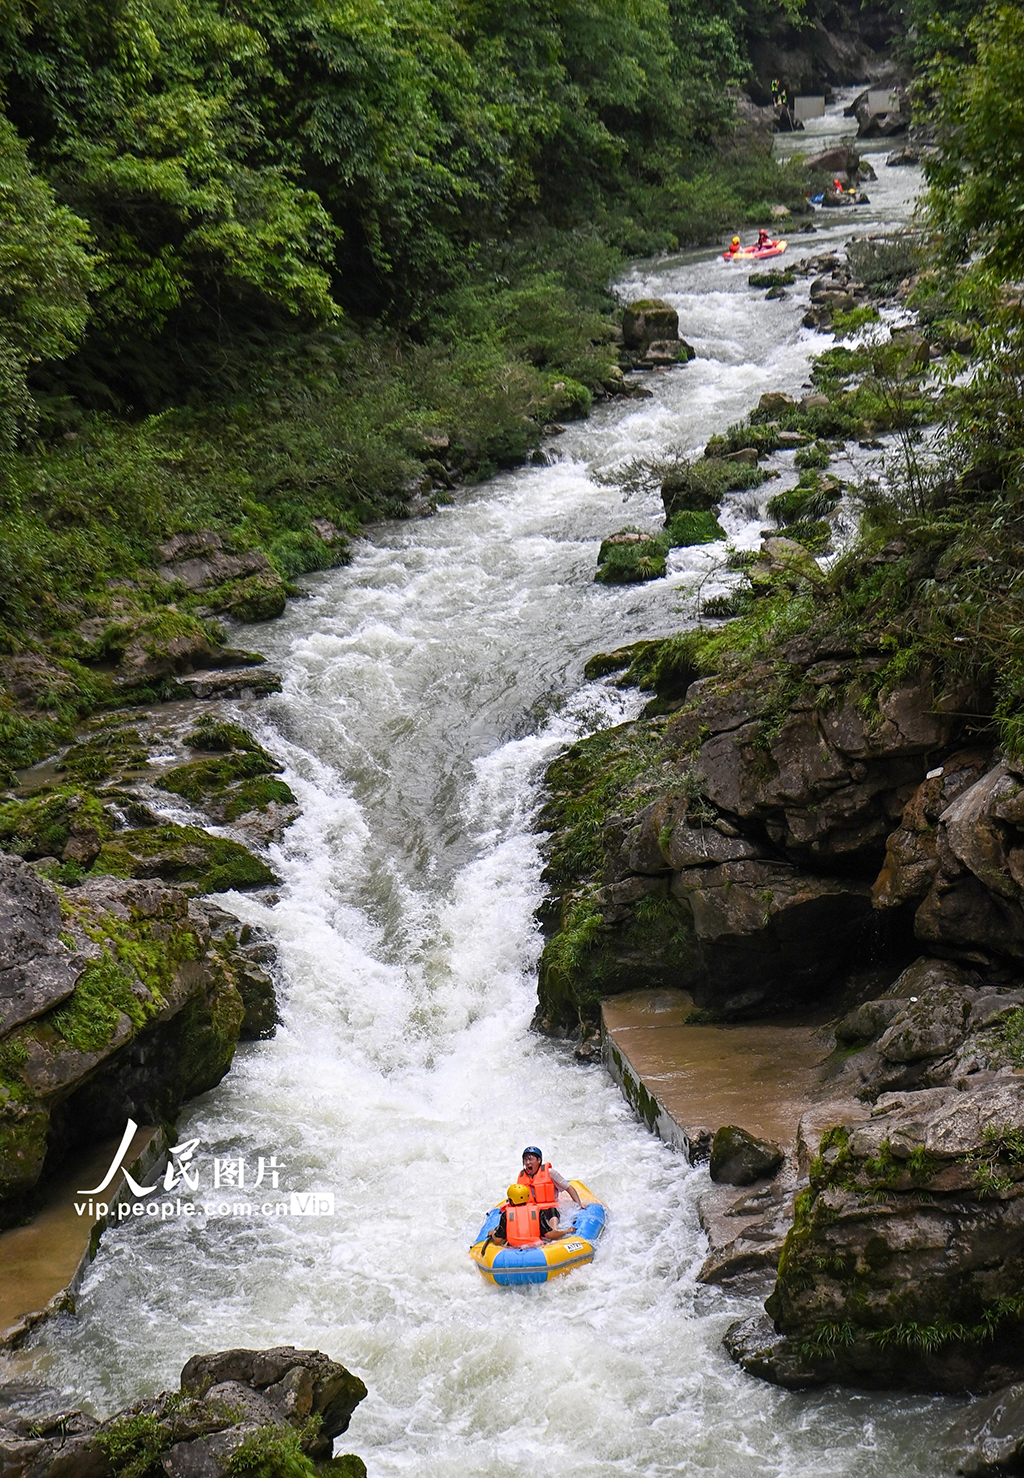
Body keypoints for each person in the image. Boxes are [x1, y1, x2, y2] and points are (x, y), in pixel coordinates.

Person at [518, 1146, 581, 1239]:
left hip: (550, 1210)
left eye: (530, 1159)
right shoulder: (522, 1176)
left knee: (551, 1211)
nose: (527, 1163)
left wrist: (578, 1205)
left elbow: (569, 1188)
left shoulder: (550, 1173)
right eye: (525, 1160)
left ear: (539, 1160)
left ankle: (554, 1231)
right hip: (533, 1211)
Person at [490, 1183, 559, 1246]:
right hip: (536, 1245)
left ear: (511, 1200)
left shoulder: (506, 1214)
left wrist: (493, 1233)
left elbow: (498, 1240)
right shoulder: (537, 1211)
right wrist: (565, 1232)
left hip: (513, 1247)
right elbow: (549, 1234)